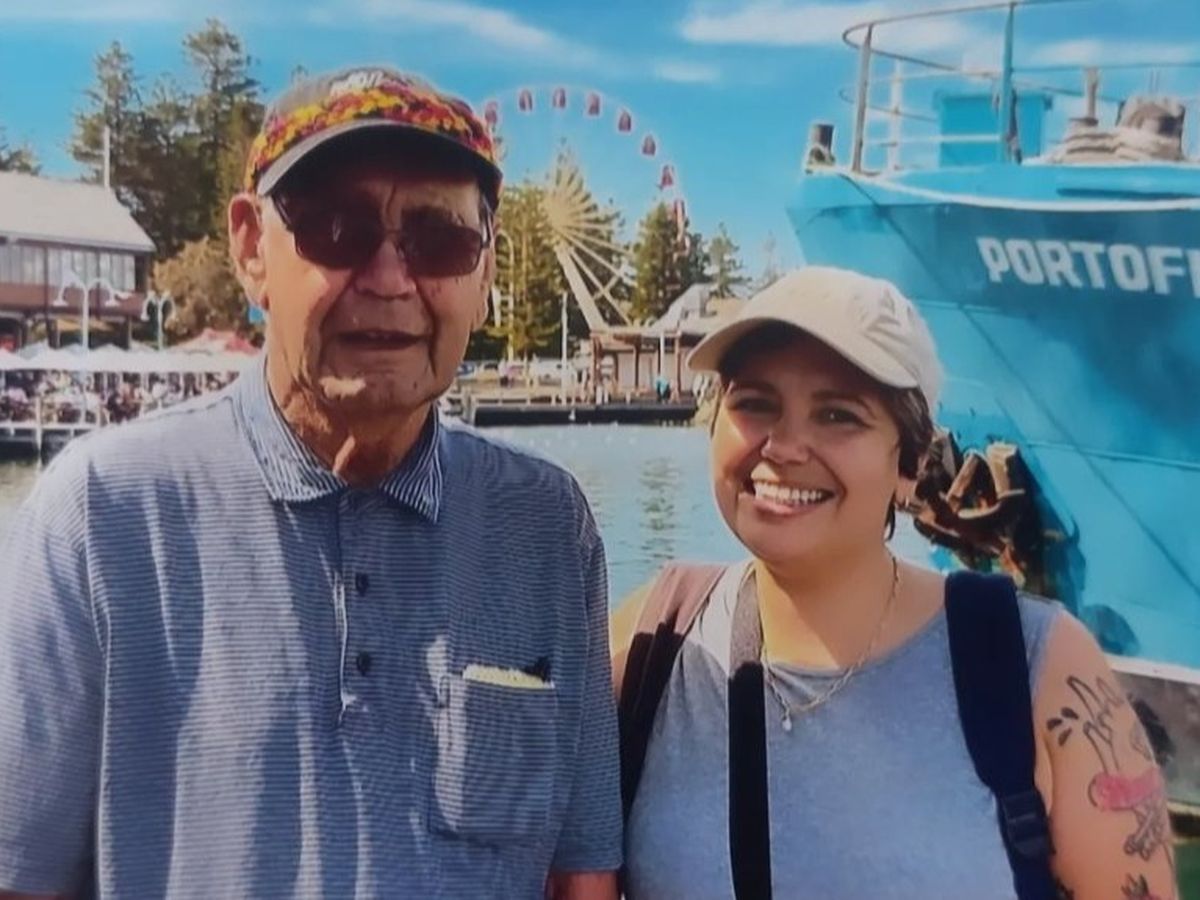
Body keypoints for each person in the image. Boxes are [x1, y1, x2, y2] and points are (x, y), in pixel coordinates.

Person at [0, 66, 620, 900]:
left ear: (484, 273)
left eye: (438, 239)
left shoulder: (546, 526)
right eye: (337, 228)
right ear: (252, 248)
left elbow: (582, 877)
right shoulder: (101, 517)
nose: (390, 278)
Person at [612, 267, 1176, 899]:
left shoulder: (1035, 667)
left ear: (909, 464)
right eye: (754, 403)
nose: (785, 445)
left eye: (838, 415)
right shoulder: (654, 641)